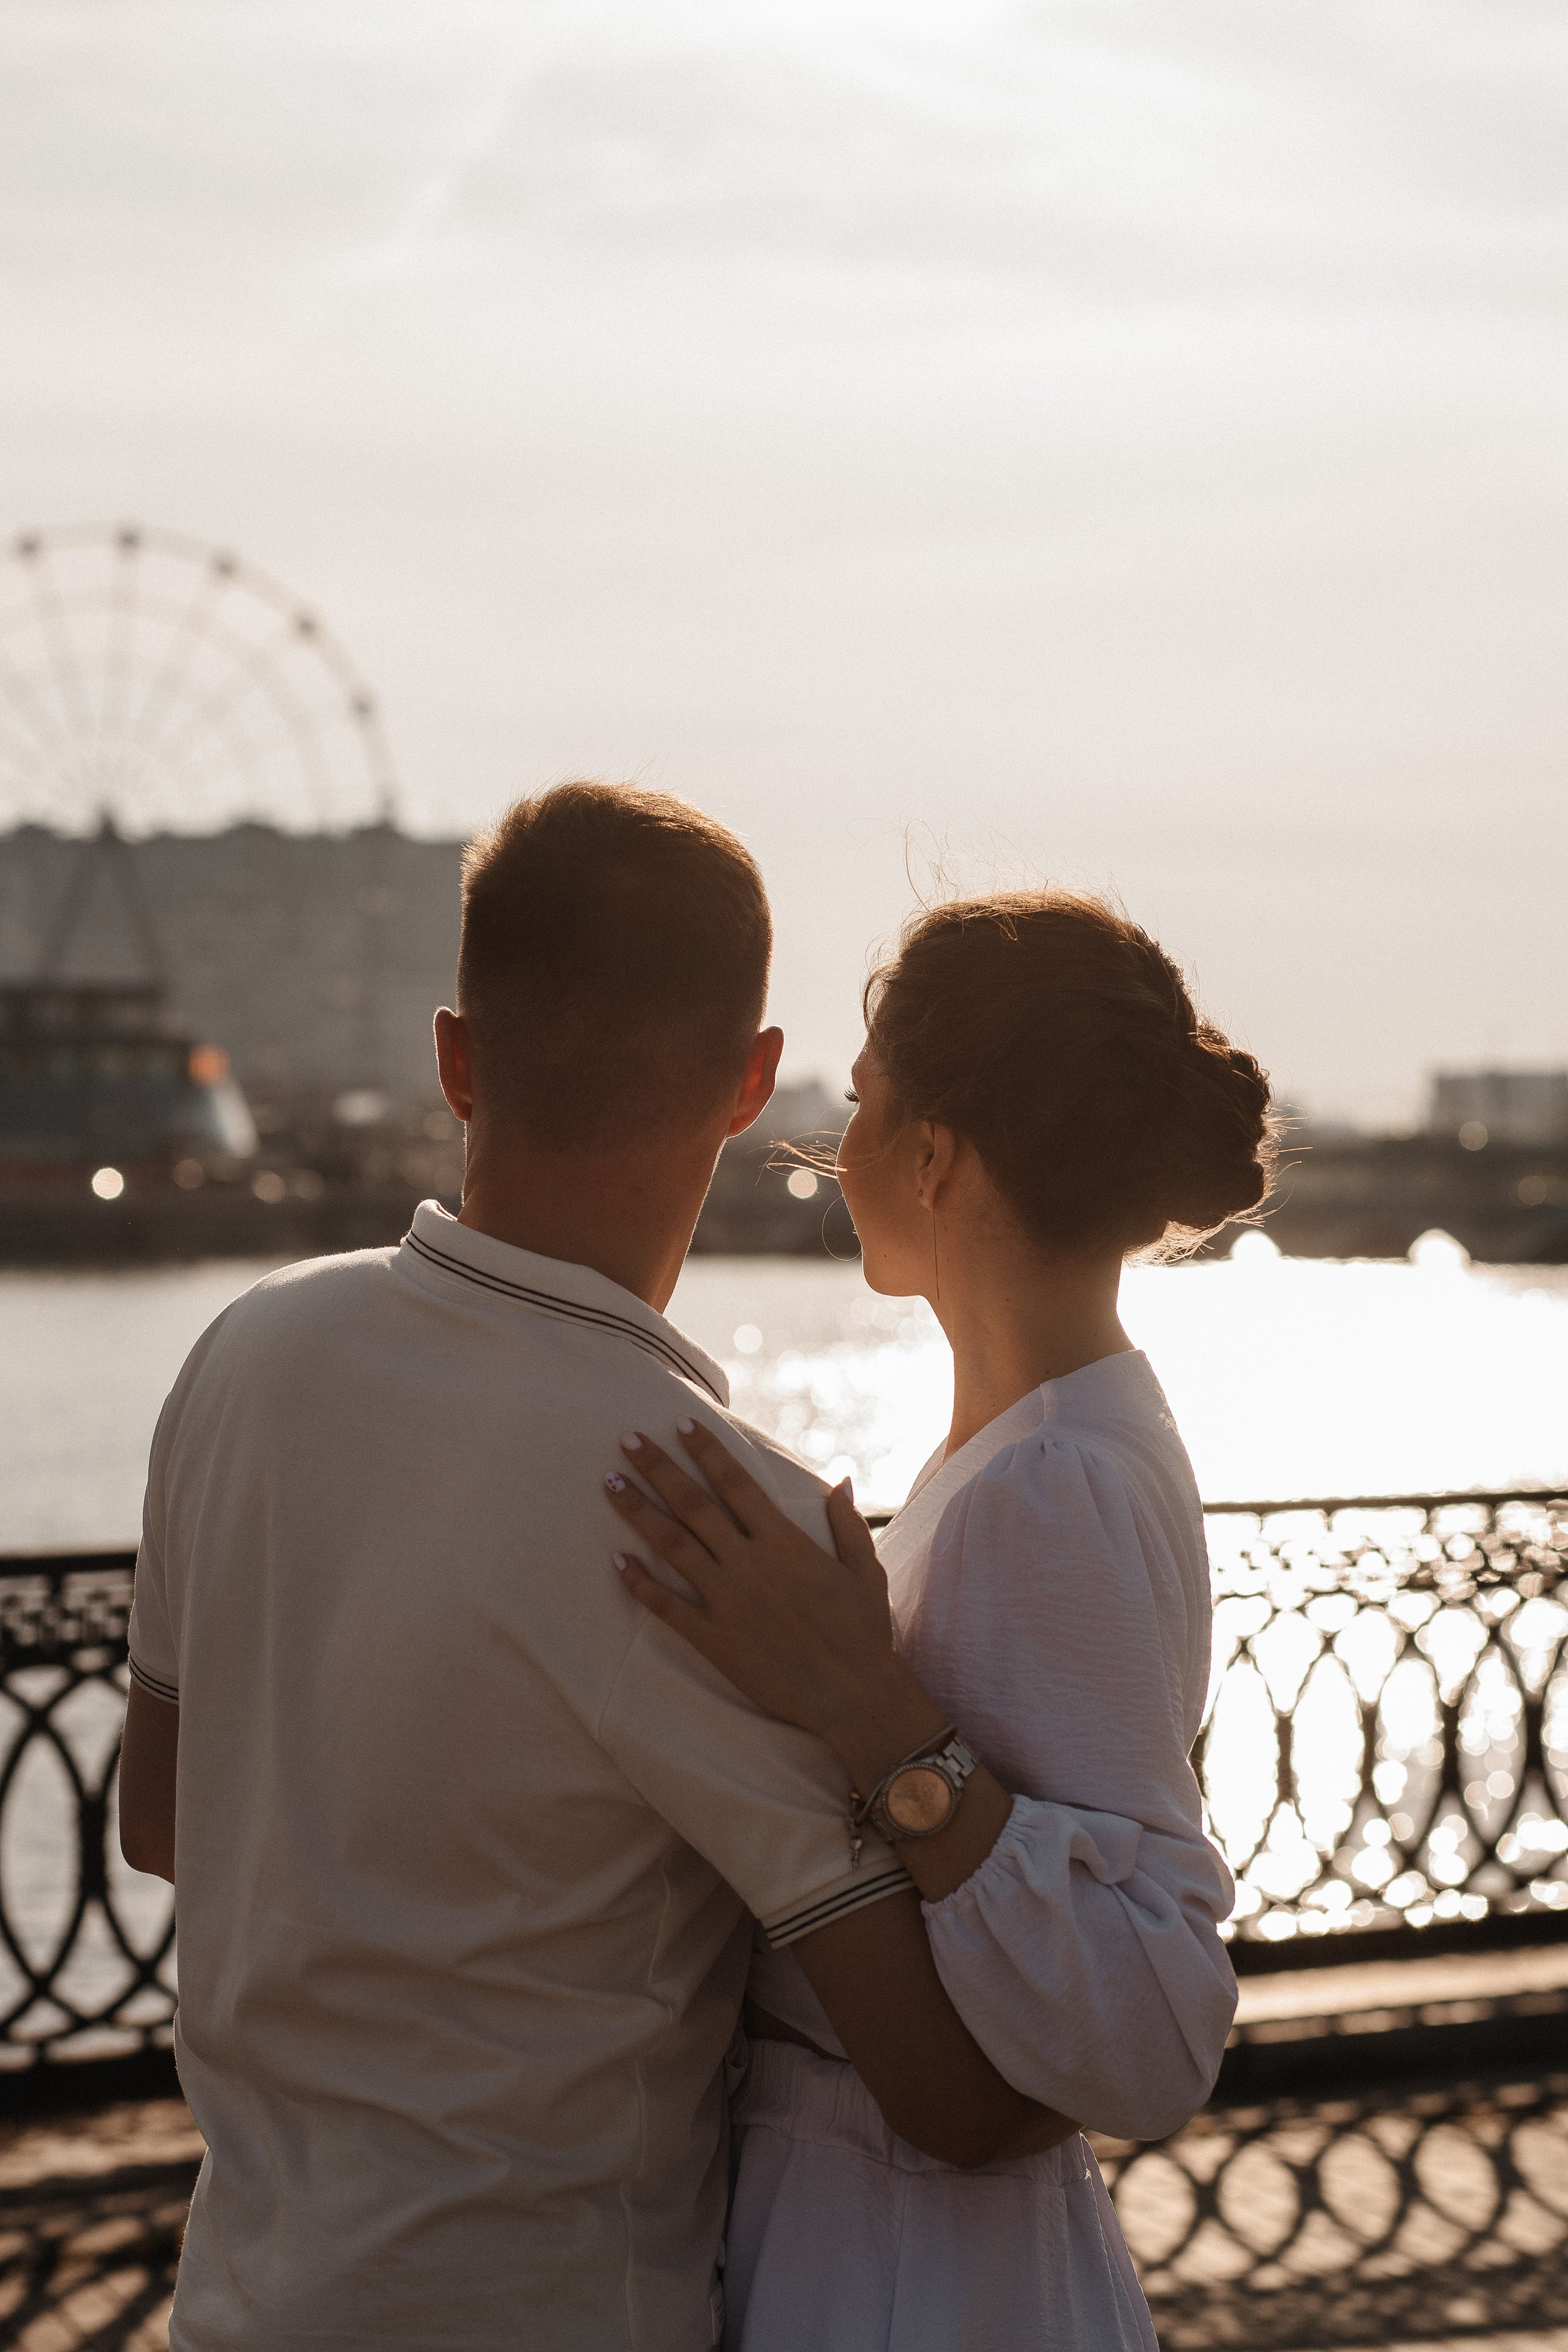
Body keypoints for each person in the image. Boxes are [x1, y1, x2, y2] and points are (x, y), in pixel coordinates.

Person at [115, 788, 1072, 2352]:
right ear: (752, 1086)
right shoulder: (713, 1525)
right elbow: (965, 2102)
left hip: (241, 2305)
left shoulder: (246, 1358)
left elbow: (168, 1819)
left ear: (454, 1055)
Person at [604, 886, 1272, 2350]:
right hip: (903, 2223)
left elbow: (1154, 2029)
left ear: (933, 1152)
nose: (827, 1152)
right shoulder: (1052, 1440)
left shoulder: (1044, 1482)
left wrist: (862, 1706)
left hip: (910, 2259)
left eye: (856, 1104)